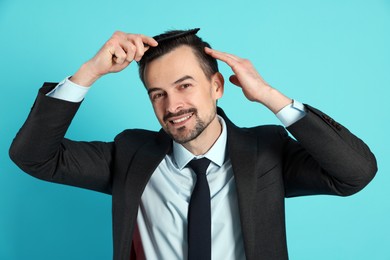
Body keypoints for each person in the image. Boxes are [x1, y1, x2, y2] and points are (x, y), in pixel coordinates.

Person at [9, 29, 377, 260]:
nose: (172, 107)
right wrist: (89, 71)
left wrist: (270, 97)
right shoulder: (130, 153)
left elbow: (355, 174)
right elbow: (33, 157)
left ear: (217, 86)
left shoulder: (267, 150)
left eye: (185, 86)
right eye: (158, 94)